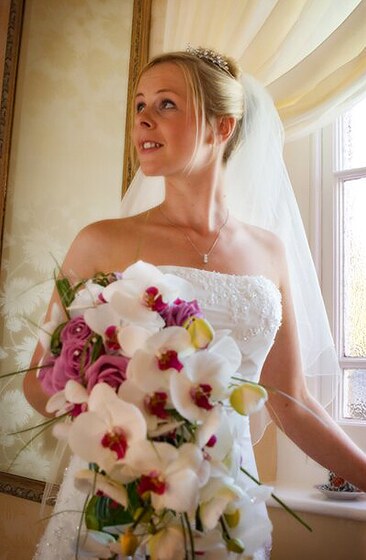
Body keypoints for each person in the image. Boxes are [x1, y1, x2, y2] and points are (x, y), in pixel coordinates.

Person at [24, 48, 366, 560]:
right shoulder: (99, 242)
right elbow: (38, 380)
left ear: (221, 127)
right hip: (121, 504)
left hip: (226, 507)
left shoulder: (270, 251)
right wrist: (135, 427)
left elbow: (291, 401)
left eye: (166, 104)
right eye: (139, 104)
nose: (142, 118)